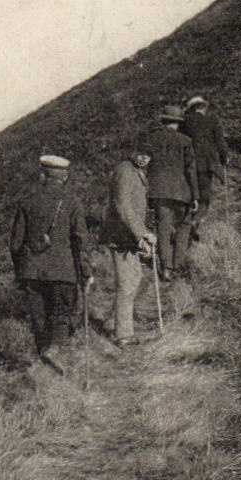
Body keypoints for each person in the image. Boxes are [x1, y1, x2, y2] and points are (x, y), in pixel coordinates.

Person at [9, 154, 87, 370]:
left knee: (39, 318)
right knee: (61, 313)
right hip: (62, 270)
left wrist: (20, 271)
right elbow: (80, 240)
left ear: (42, 175)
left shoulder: (27, 201)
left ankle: (43, 366)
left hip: (32, 270)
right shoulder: (72, 202)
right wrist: (85, 271)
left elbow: (15, 243)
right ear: (65, 177)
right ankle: (55, 351)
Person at [100, 147, 155, 345]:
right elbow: (123, 206)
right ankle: (123, 335)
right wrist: (141, 233)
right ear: (131, 152)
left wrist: (143, 232)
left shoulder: (136, 171)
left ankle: (118, 324)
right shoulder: (125, 171)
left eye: (148, 155)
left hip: (129, 235)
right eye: (140, 153)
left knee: (133, 279)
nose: (144, 158)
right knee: (127, 283)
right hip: (120, 234)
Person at [144, 104, 198, 282]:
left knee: (163, 228)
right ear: (177, 123)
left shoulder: (152, 139)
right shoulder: (185, 141)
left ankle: (166, 268)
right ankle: (178, 265)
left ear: (163, 121)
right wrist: (195, 196)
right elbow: (191, 171)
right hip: (182, 192)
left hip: (158, 192)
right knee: (184, 227)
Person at [181, 95, 229, 219]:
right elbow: (220, 142)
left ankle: (188, 218)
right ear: (204, 107)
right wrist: (224, 157)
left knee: (190, 193)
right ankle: (196, 220)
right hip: (206, 165)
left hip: (188, 163)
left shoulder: (184, 122)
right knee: (204, 195)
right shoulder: (212, 120)